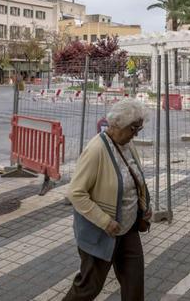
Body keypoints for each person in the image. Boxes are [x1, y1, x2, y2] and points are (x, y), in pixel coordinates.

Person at [65, 98, 150, 301]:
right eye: (133, 128)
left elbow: (136, 180)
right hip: (101, 232)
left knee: (134, 282)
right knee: (88, 287)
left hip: (127, 229)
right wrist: (105, 221)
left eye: (139, 128)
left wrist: (144, 206)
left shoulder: (128, 145)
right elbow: (76, 193)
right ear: (117, 125)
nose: (136, 133)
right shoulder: (96, 150)